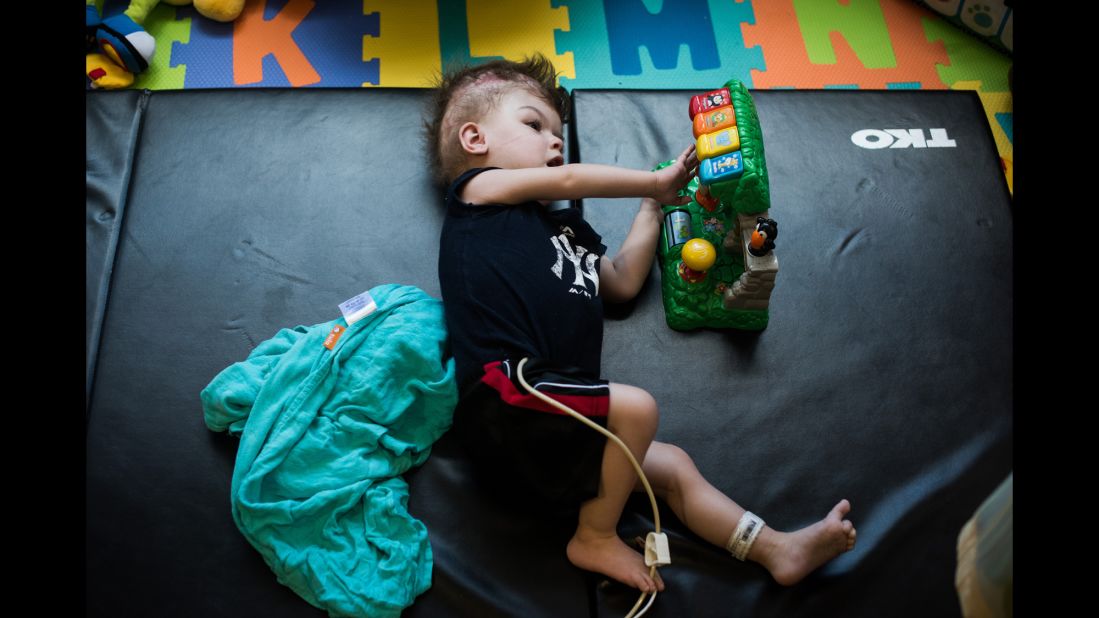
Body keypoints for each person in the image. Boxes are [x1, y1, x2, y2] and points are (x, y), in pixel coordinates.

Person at [427, 54, 856, 594]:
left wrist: (655, 211)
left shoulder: (562, 228)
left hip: (560, 420)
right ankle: (593, 535)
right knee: (637, 408)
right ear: (474, 140)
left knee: (673, 468)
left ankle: (775, 548)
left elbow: (622, 282)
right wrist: (652, 182)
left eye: (557, 133)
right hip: (510, 396)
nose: (555, 142)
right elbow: (571, 176)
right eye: (534, 125)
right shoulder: (477, 193)